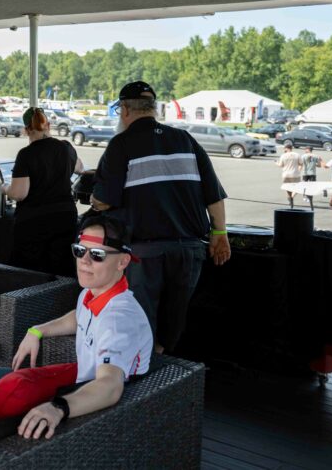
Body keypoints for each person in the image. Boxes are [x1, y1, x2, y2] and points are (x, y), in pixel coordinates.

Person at [0, 214, 151, 436]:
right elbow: (79, 316)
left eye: (97, 255)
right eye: (80, 251)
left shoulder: (119, 319)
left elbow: (110, 386)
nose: (85, 261)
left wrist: (58, 408)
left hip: (78, 399)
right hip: (71, 380)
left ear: (123, 261)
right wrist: (37, 330)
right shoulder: (93, 292)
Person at [90, 81, 230, 354]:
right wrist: (220, 234)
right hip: (189, 252)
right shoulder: (185, 140)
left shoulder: (121, 144)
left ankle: (143, 383)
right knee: (171, 324)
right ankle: (162, 372)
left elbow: (105, 200)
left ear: (125, 110)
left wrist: (95, 198)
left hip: (145, 253)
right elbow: (213, 195)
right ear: (153, 109)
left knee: (141, 322)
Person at [4, 107, 81, 277]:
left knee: (29, 274)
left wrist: (4, 189)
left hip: (34, 221)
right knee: (61, 270)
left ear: (26, 130)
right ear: (49, 125)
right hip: (65, 217)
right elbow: (79, 168)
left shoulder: (26, 154)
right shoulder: (65, 147)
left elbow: (19, 193)